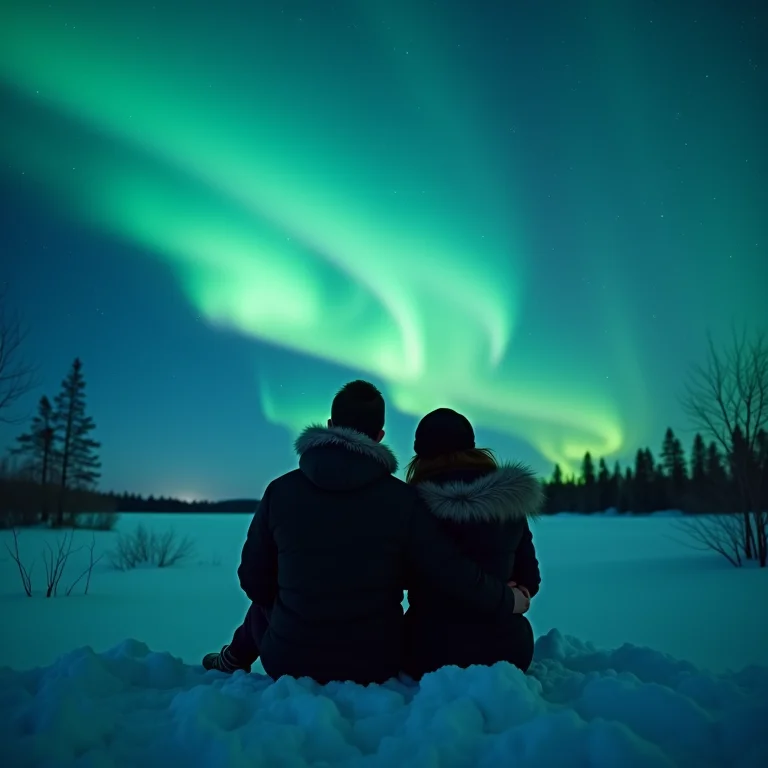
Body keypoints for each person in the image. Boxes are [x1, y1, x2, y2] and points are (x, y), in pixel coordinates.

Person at [203, 381, 528, 684]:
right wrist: (506, 598)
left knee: (264, 607)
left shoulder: (279, 492)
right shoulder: (403, 501)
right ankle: (234, 656)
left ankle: (232, 659)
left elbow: (253, 580)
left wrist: (297, 601)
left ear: (330, 425)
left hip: (289, 661)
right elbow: (447, 570)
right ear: (379, 435)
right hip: (375, 662)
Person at [402, 408, 543, 680]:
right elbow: (530, 578)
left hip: (428, 651)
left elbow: (400, 576)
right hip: (508, 651)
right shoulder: (507, 501)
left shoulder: (410, 505)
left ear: (420, 453)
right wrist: (514, 595)